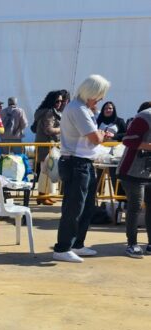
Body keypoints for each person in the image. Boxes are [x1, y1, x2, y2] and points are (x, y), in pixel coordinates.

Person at [53, 74, 114, 263]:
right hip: (76, 163)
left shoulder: (83, 109)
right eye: (99, 95)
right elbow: (95, 138)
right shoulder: (78, 109)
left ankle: (76, 244)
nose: (101, 99)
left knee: (86, 207)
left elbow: (93, 136)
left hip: (82, 162)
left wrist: (99, 132)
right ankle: (63, 248)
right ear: (91, 92)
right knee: (74, 208)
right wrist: (102, 133)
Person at [117, 101, 151, 258]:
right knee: (135, 207)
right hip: (132, 170)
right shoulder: (145, 116)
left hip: (148, 172)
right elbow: (128, 140)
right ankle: (132, 243)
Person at [32, 90, 67, 205]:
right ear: (51, 100)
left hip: (48, 145)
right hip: (47, 145)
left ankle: (45, 195)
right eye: (57, 101)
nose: (59, 103)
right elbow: (49, 130)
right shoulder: (50, 113)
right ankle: (42, 195)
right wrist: (63, 130)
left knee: (48, 170)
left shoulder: (48, 111)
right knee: (46, 171)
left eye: (61, 101)